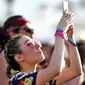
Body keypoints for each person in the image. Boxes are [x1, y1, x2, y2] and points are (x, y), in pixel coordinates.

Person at [4, 10, 82, 85]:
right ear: (19, 57)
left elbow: (75, 71)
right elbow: (55, 70)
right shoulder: (18, 80)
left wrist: (70, 37)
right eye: (29, 44)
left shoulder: (43, 80)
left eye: (34, 42)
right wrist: (60, 32)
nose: (38, 45)